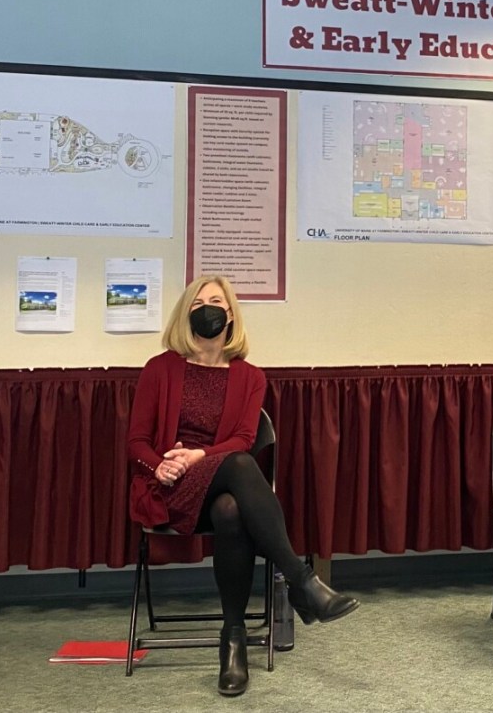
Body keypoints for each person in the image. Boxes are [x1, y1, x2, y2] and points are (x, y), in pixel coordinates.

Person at [127, 275, 358, 698]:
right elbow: (136, 441)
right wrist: (160, 466)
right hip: (171, 487)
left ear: (231, 315)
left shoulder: (250, 377)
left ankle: (233, 640)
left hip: (220, 482)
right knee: (238, 465)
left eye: (217, 301)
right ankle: (301, 582)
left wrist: (200, 456)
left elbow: (243, 439)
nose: (208, 309)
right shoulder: (160, 368)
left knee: (232, 509)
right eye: (198, 302)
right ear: (185, 313)